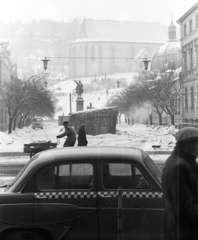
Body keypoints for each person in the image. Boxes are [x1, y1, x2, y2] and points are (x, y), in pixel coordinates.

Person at [162, 127, 198, 240]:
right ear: (186, 145)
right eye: (196, 144)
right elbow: (185, 209)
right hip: (183, 229)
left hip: (175, 224)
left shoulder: (176, 160)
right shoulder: (181, 167)